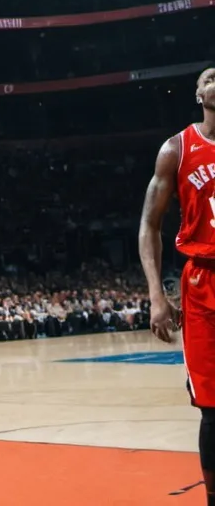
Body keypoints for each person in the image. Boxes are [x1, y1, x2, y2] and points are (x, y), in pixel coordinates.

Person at [139, 66, 215, 506]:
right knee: (213, 407)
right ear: (197, 94)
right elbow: (149, 225)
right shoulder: (177, 149)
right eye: (209, 77)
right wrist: (156, 295)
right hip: (204, 282)